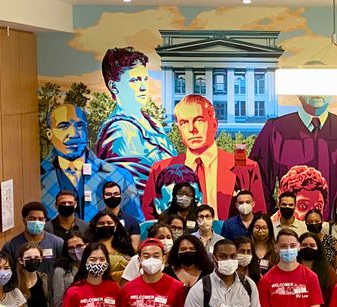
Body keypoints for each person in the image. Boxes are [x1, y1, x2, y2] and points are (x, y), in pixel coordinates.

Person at [249, 90, 337, 217]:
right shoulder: (276, 130)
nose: (317, 90)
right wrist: (273, 223)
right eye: (310, 85)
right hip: (291, 228)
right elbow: (258, 185)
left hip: (336, 227)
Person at [142, 94, 266, 220]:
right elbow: (149, 220)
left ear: (214, 124)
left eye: (199, 120)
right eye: (184, 123)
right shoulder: (160, 169)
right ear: (179, 129)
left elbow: (259, 219)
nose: (192, 129)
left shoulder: (247, 168)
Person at [41, 103, 138, 222]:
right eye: (63, 126)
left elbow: (136, 226)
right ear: (49, 134)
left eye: (80, 126)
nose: (74, 134)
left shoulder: (121, 177)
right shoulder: (35, 179)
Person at [95, 47, 175, 192]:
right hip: (147, 212)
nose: (143, 87)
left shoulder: (153, 123)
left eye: (145, 79)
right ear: (113, 86)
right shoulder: (120, 130)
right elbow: (132, 190)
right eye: (135, 80)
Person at [3, 202, 65, 275]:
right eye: (32, 219)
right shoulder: (11, 246)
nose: (36, 222)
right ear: (24, 220)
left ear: (45, 221)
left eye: (40, 219)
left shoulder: (57, 243)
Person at [87, 210, 136, 282]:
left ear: (116, 226)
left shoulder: (126, 247)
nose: (105, 225)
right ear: (95, 226)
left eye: (109, 223)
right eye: (101, 223)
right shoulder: (89, 249)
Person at [102, 180, 143, 247]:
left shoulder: (132, 222)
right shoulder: (96, 221)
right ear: (103, 197)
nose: (113, 196)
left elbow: (134, 249)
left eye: (116, 194)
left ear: (121, 195)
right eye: (108, 194)